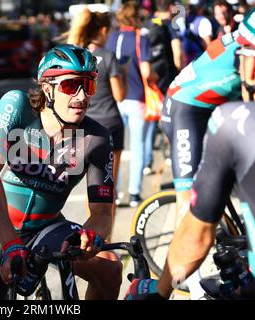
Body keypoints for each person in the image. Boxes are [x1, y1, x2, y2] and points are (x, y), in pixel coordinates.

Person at [0, 44, 122, 300]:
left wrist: (89, 235)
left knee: (109, 266)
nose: (81, 96)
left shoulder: (96, 137)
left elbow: (102, 213)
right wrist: (10, 243)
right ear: (47, 88)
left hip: (47, 228)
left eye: (88, 86)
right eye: (70, 85)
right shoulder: (17, 106)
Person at [125, 10, 255, 299]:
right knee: (189, 203)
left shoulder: (247, 30)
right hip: (186, 108)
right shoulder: (248, 47)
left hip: (211, 103)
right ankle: (190, 283)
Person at [66, 8, 126, 222]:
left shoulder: (78, 57)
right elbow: (120, 95)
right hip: (111, 124)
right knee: (108, 190)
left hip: (85, 127)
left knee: (91, 188)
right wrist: (124, 73)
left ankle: (90, 236)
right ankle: (105, 240)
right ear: (102, 30)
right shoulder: (108, 57)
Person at [105, 0, 152, 207]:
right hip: (137, 98)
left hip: (115, 99)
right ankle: (134, 193)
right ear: (135, 18)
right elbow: (146, 71)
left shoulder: (110, 38)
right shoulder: (141, 38)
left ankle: (113, 191)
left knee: (114, 150)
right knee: (138, 147)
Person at [141, 0, 183, 175]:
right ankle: (170, 154)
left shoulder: (146, 25)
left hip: (150, 77)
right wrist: (180, 72)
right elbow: (178, 54)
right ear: (170, 8)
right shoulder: (170, 26)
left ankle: (146, 162)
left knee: (151, 118)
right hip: (168, 77)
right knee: (168, 116)